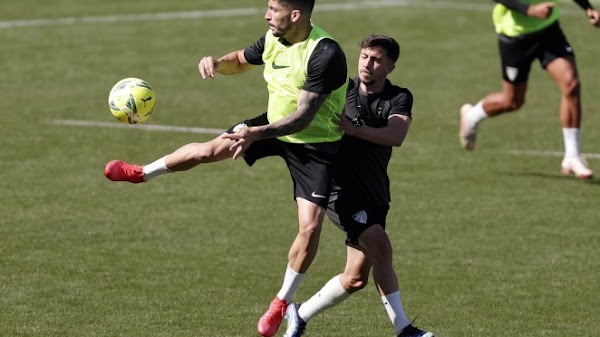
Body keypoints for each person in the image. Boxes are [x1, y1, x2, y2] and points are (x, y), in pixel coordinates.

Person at [103, 1, 347, 336]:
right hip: (273, 124)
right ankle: (142, 173)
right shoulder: (274, 36)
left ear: (295, 15)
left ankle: (281, 303)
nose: (266, 14)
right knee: (209, 150)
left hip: (315, 146)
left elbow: (304, 117)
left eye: (273, 8)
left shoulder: (325, 53)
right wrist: (216, 63)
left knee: (310, 228)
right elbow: (241, 59)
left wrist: (254, 134)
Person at [282, 35, 434, 337]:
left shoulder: (399, 97)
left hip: (375, 193)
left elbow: (396, 135)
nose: (368, 64)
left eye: (376, 60)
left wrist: (355, 130)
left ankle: (299, 315)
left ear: (390, 67)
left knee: (354, 279)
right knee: (381, 245)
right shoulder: (343, 90)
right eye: (364, 56)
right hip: (341, 191)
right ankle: (403, 328)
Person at [459, 0, 600, 179]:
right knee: (513, 101)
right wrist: (529, 10)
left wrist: (587, 7)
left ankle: (572, 156)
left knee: (571, 85)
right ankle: (472, 116)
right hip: (515, 36)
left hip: (548, 30)